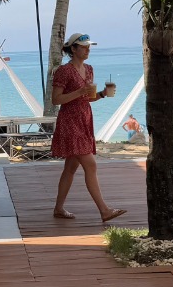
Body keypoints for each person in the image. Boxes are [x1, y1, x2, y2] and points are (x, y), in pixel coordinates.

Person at [50, 33, 127, 222]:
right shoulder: (64, 71)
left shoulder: (89, 69)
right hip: (70, 121)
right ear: (73, 49)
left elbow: (87, 98)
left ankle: (59, 208)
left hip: (84, 120)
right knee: (90, 165)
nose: (87, 50)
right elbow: (56, 99)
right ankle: (104, 210)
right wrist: (79, 91)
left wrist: (102, 94)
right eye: (84, 47)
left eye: (88, 46)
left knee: (70, 168)